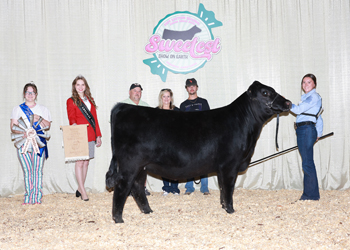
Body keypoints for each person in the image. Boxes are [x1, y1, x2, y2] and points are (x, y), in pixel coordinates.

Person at [10, 82, 52, 205]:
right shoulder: (17, 109)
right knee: (27, 170)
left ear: (36, 94)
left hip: (38, 143)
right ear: (24, 94)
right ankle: (28, 197)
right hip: (23, 143)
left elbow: (48, 125)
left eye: (32, 92)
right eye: (28, 92)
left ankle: (37, 197)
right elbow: (13, 127)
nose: (30, 94)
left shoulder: (43, 109)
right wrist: (22, 133)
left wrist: (38, 118)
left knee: (37, 170)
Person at [66, 75, 102, 201]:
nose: (80, 87)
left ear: (85, 86)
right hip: (79, 134)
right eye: (78, 85)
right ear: (74, 87)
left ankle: (79, 189)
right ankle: (83, 191)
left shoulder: (90, 99)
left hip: (91, 134)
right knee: (80, 162)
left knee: (86, 162)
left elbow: (95, 119)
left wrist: (98, 135)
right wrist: (74, 125)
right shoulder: (71, 101)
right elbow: (71, 117)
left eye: (82, 84)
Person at [290, 73, 323, 201]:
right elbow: (319, 117)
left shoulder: (313, 97)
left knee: (307, 163)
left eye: (309, 82)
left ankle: (310, 195)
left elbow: (298, 110)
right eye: (304, 82)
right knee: (308, 162)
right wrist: (318, 133)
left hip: (306, 129)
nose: (305, 84)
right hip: (308, 130)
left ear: (314, 84)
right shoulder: (312, 97)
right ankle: (312, 193)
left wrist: (287, 104)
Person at [180, 78, 210, 195]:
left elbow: (209, 120)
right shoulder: (183, 105)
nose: (191, 88)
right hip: (189, 138)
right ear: (186, 88)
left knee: (205, 161)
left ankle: (204, 187)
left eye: (193, 86)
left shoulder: (204, 102)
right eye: (189, 86)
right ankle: (189, 187)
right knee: (189, 162)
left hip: (203, 137)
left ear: (197, 87)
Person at [121, 83, 151, 196]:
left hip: (143, 141)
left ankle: (142, 188)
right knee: (128, 165)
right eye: (135, 91)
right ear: (130, 92)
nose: (137, 93)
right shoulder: (123, 105)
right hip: (128, 142)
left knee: (143, 165)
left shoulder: (146, 106)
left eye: (139, 91)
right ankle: (128, 188)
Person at [156, 89, 181, 196]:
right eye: (164, 96)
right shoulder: (156, 111)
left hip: (175, 142)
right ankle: (166, 188)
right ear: (161, 98)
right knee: (163, 166)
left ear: (171, 98)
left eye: (168, 96)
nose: (166, 99)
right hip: (162, 143)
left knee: (175, 165)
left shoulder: (177, 111)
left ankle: (175, 188)